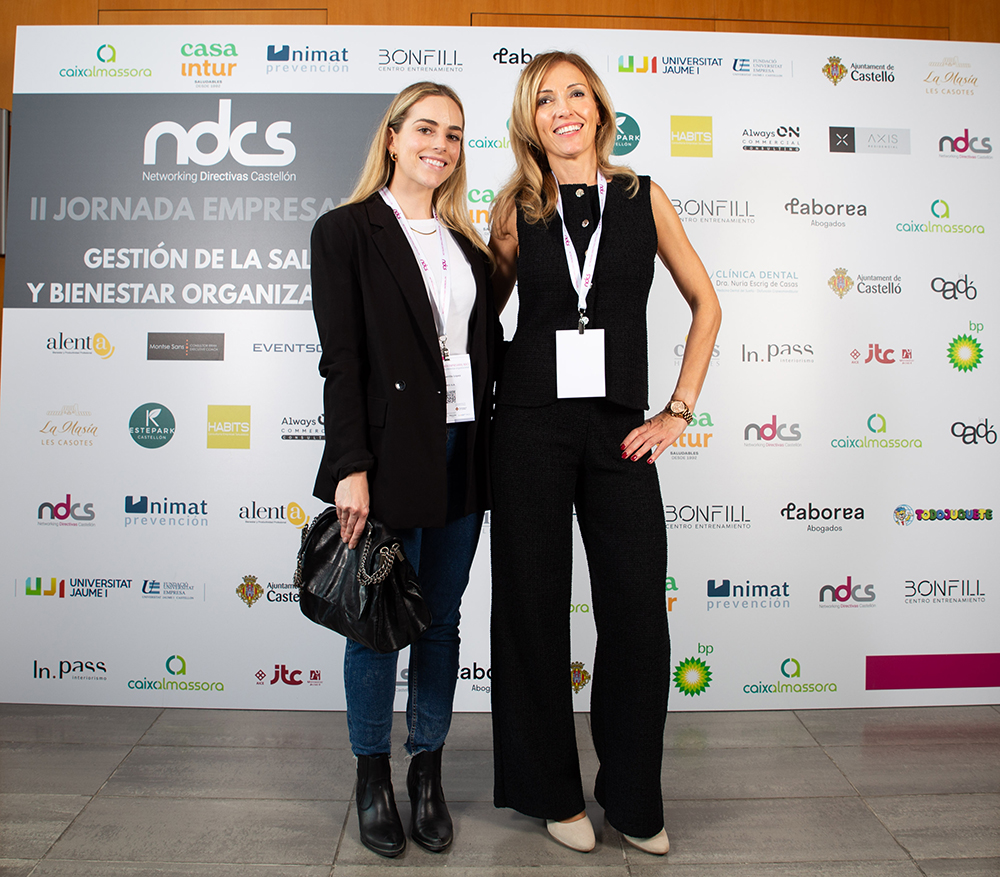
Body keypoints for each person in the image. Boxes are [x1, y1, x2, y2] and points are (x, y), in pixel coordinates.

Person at [488, 52, 722, 856]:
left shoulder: (642, 197)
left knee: (636, 612)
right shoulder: (516, 206)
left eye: (575, 94)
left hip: (622, 428)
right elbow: (483, 318)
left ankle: (632, 793)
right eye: (545, 99)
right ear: (531, 120)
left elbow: (706, 303)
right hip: (529, 427)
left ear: (598, 108)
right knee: (531, 606)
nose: (563, 109)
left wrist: (677, 410)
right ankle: (550, 791)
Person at [310, 81, 500, 858]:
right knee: (376, 621)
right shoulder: (345, 231)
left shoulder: (471, 248)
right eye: (426, 129)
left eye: (453, 134)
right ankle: (371, 777)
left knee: (442, 620)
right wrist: (350, 466)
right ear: (392, 137)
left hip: (464, 451)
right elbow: (342, 360)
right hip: (389, 460)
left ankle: (427, 769)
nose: (440, 145)